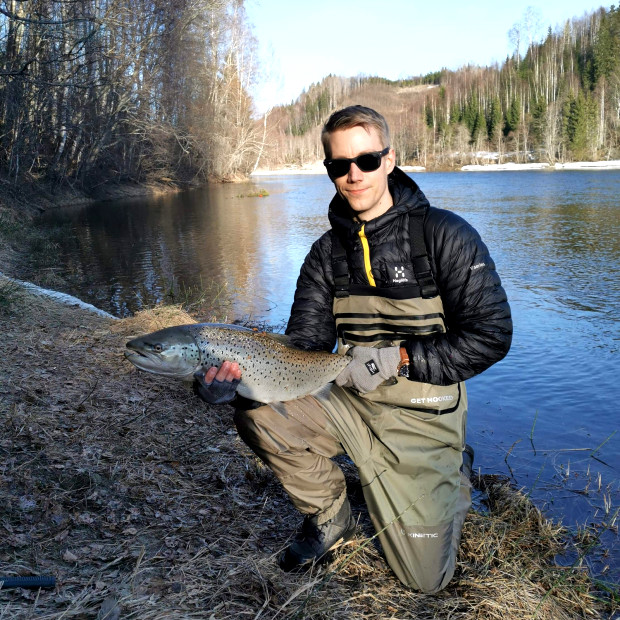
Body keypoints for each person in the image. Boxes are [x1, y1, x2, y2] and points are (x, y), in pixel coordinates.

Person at [194, 105, 512, 593]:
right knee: (257, 413)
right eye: (339, 165)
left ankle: (453, 466)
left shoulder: (445, 235)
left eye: (366, 160)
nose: (353, 174)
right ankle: (329, 514)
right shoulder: (325, 255)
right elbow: (303, 350)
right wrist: (238, 386)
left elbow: (491, 334)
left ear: (389, 160)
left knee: (425, 582)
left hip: (424, 417)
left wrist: (399, 358)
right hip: (351, 403)